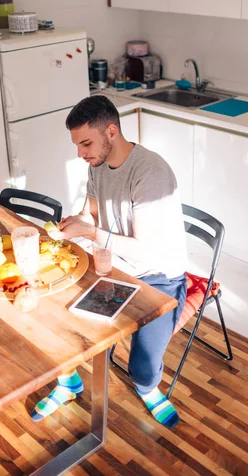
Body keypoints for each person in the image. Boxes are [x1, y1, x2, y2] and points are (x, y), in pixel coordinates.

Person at [31, 95, 187, 428]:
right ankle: (68, 383)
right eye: (77, 145)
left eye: (86, 143)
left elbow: (144, 250)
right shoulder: (97, 166)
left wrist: (89, 230)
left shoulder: (151, 173)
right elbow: (92, 212)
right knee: (55, 322)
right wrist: (76, 222)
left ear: (112, 132)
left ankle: (148, 388)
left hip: (157, 277)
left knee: (141, 366)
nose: (81, 153)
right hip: (115, 266)